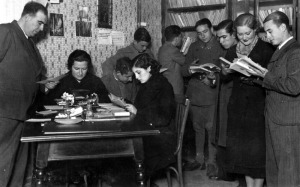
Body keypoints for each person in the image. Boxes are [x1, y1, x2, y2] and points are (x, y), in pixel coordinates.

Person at [247, 11, 300, 187]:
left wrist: (265, 75)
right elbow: (276, 80)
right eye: (266, 32)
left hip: (287, 122)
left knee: (288, 172)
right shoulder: (280, 50)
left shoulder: (295, 51)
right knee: (274, 169)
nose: (267, 36)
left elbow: (294, 86)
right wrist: (255, 75)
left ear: (283, 27)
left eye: (270, 31)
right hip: (276, 118)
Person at [221, 13, 274, 187]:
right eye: (240, 34)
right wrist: (226, 71)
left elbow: (273, 78)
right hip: (238, 106)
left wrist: (256, 76)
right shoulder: (232, 49)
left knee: (256, 152)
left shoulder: (267, 49)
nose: (243, 38)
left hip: (257, 106)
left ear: (255, 30)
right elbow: (225, 77)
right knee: (243, 153)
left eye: (247, 34)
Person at [0, 2, 48, 186]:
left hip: (22, 114)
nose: (42, 28)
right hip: (4, 114)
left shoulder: (28, 41)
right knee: (2, 165)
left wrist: (43, 85)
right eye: (40, 22)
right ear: (27, 16)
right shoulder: (5, 32)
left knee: (18, 168)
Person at [181, 18, 226, 177]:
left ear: (212, 29)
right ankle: (199, 159)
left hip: (212, 95)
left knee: (211, 129)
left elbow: (226, 72)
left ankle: (211, 162)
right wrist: (192, 69)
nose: (202, 36)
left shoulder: (221, 46)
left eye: (205, 32)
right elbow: (184, 71)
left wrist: (213, 78)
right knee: (197, 128)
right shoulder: (194, 46)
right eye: (199, 33)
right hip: (195, 95)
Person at [125, 54, 177, 183]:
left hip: (162, 138)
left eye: (138, 73)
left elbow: (163, 118)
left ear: (148, 68)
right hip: (152, 132)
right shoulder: (149, 82)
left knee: (128, 158)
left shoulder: (161, 85)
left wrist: (138, 112)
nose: (136, 78)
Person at [214, 19, 237, 181]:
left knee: (229, 134)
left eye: (224, 37)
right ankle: (226, 172)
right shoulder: (228, 51)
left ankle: (230, 173)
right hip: (224, 96)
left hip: (232, 98)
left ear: (234, 35)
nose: (221, 41)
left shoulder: (236, 50)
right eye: (219, 38)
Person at [44, 50, 110, 104]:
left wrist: (97, 101)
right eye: (76, 69)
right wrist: (47, 88)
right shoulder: (61, 81)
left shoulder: (96, 81)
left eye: (84, 69)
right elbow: (48, 104)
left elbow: (107, 102)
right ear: (70, 67)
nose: (80, 73)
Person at [158, 25, 186, 103]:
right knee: (177, 113)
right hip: (175, 89)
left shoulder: (162, 48)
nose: (182, 40)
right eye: (181, 37)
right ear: (177, 38)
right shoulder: (173, 50)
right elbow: (186, 62)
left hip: (165, 87)